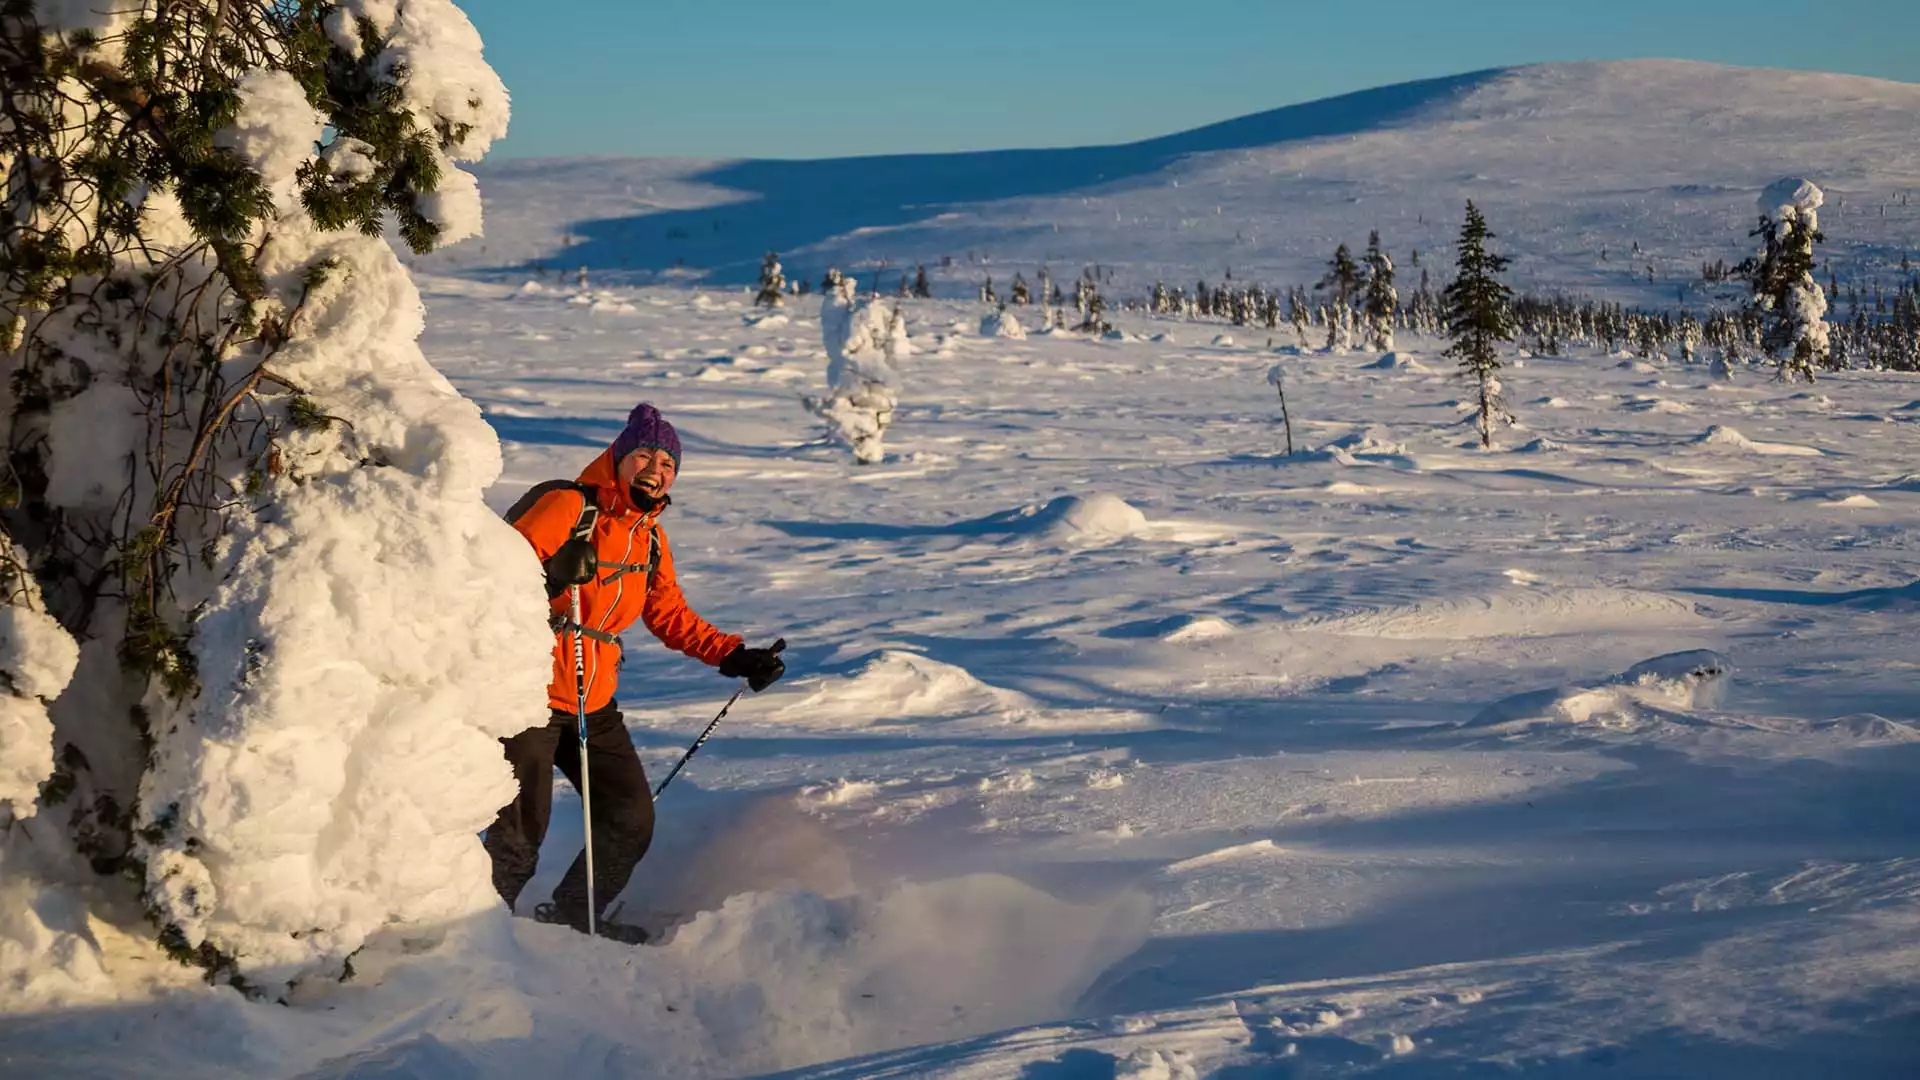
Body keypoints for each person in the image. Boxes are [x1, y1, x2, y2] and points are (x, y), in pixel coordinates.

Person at [484, 402, 787, 941]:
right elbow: (493, 579)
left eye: (668, 463)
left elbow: (669, 614)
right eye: (644, 455)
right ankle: (475, 936)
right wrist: (551, 582)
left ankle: (577, 916)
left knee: (629, 819)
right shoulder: (566, 506)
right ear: (618, 460)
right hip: (527, 691)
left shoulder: (647, 537)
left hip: (593, 701)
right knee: (521, 831)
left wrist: (733, 655)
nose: (656, 469)